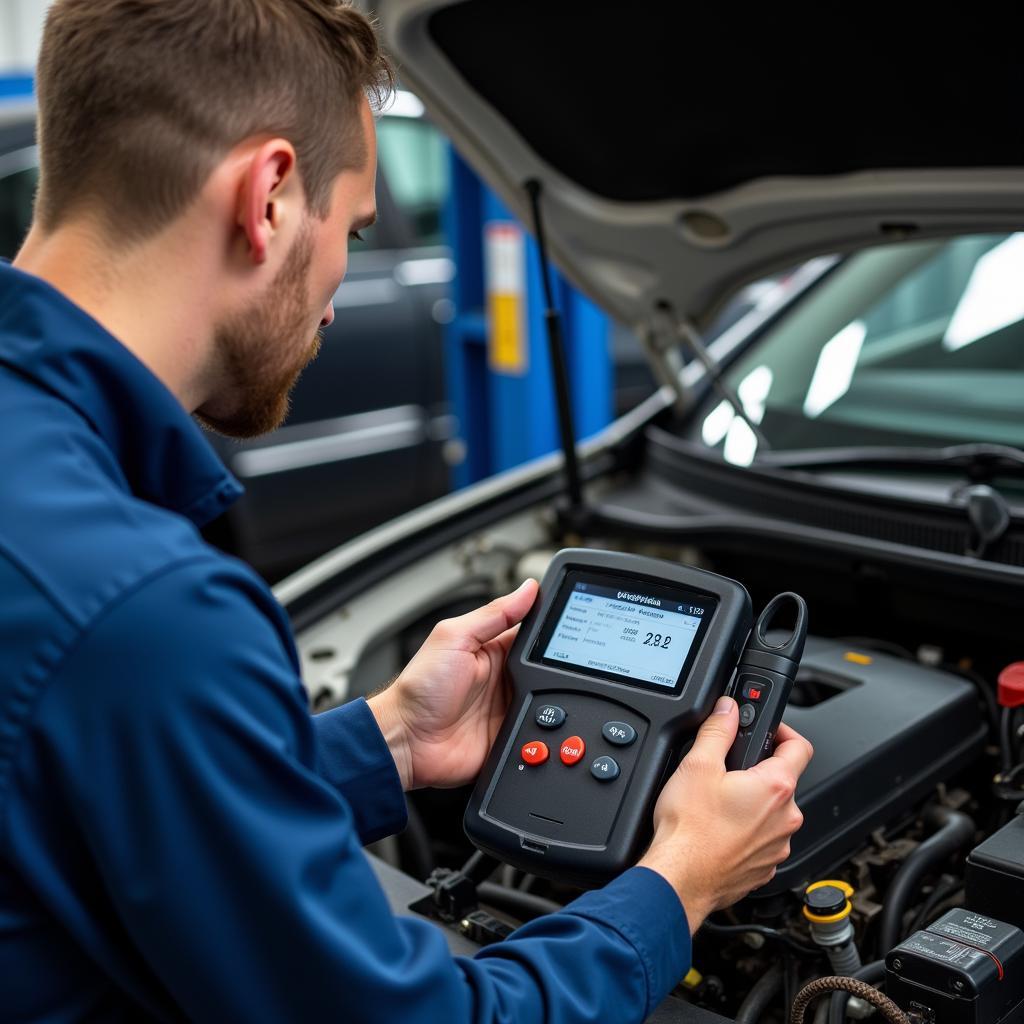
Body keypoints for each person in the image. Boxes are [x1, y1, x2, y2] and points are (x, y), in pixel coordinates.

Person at [0, 2, 812, 1021]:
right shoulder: (143, 611)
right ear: (269, 195)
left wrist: (387, 740)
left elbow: (118, 811)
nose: (336, 294)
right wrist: (682, 880)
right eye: (353, 229)